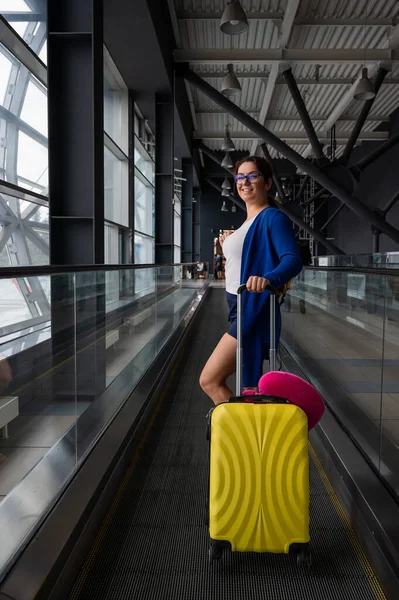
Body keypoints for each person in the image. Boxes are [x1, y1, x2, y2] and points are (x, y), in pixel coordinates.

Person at [199, 156, 302, 406]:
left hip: (252, 308)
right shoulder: (248, 222)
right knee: (250, 391)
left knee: (210, 380)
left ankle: (239, 435)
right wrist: (227, 249)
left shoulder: (271, 218)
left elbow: (292, 260)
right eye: (240, 177)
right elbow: (244, 261)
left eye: (252, 176)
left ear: (267, 184)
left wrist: (268, 279)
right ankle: (246, 436)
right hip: (238, 306)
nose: (245, 182)